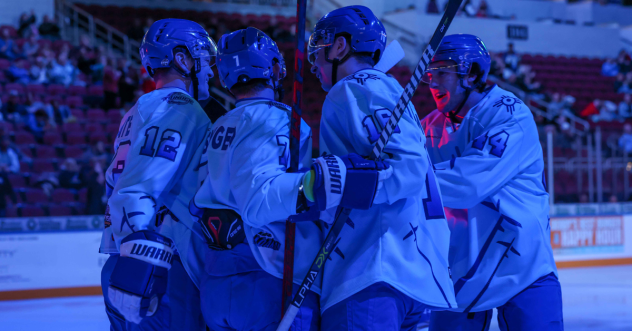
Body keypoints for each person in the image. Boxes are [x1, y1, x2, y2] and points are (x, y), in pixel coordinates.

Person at [309, 6, 456, 329]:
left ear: (339, 47)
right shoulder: (388, 91)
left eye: (320, 47)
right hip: (413, 274)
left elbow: (408, 168)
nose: (314, 61)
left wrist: (330, 182)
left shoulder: (351, 90)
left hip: (370, 273)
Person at [419, 34, 562, 330]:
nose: (433, 84)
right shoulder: (429, 126)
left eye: (442, 73)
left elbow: (467, 185)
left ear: (471, 74)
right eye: (430, 75)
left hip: (523, 265)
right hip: (459, 270)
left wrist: (398, 177)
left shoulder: (511, 115)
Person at [191, 27, 328, 330]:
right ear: (276, 67)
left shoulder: (218, 124)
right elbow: (261, 195)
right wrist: (319, 184)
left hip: (215, 277)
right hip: (271, 273)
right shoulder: (281, 119)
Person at [98, 19, 216, 330]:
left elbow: (116, 181)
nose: (211, 70)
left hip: (124, 256)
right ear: (182, 58)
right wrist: (140, 257)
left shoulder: (137, 109)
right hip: (155, 261)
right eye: (204, 58)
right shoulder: (180, 106)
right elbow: (138, 187)